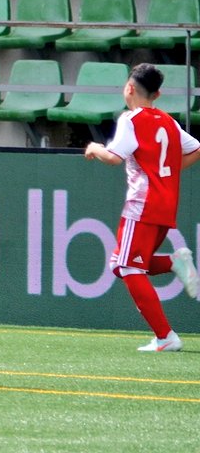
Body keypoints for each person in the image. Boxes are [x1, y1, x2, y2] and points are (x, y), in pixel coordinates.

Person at [84, 63, 200, 352]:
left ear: (129, 88)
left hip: (142, 205)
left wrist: (94, 147)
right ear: (157, 94)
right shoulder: (169, 122)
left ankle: (165, 337)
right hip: (165, 205)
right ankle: (174, 262)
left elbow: (113, 157)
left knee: (126, 266)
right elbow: (196, 148)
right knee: (125, 264)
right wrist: (168, 174)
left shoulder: (131, 119)